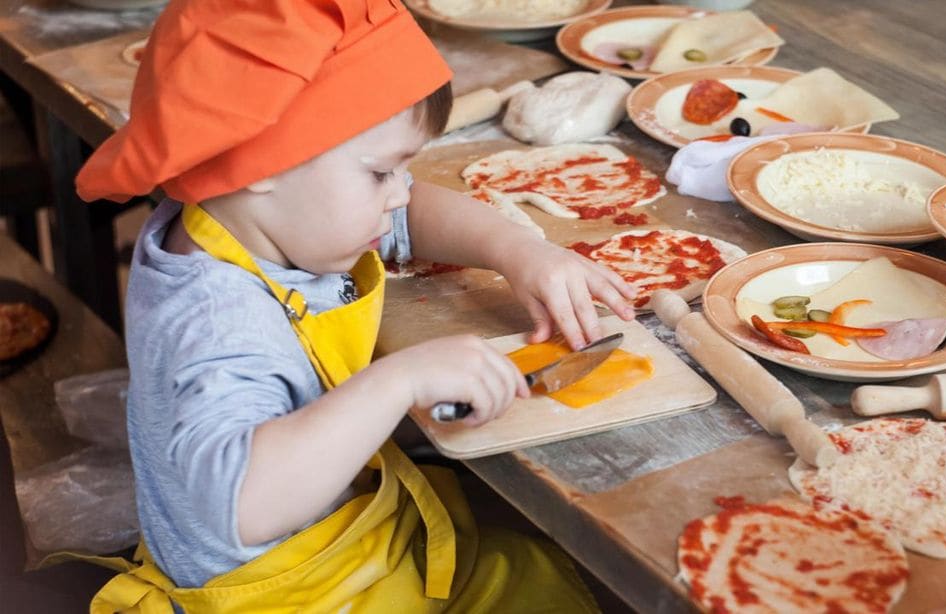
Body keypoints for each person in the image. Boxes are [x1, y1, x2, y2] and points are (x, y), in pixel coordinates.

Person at [74, 0, 636, 611]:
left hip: (335, 541)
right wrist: (400, 379)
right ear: (265, 162)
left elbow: (413, 213)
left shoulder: (256, 214)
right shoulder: (218, 320)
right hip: (285, 594)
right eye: (379, 174)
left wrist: (520, 252)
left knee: (533, 572)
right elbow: (243, 504)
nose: (399, 196)